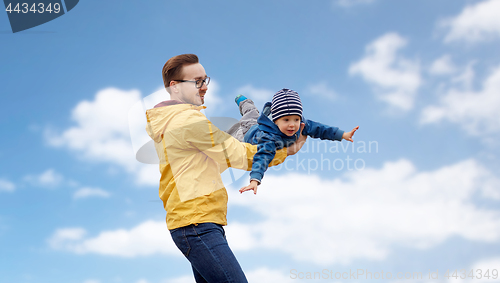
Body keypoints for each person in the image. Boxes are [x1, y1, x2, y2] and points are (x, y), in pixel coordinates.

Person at [145, 54, 307, 283]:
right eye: (197, 82)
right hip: (196, 223)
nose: (204, 88)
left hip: (197, 221)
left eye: (205, 80)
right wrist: (285, 151)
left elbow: (216, 160)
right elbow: (238, 155)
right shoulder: (188, 122)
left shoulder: (173, 121)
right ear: (175, 87)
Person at [230, 88, 359, 195]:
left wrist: (343, 135)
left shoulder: (301, 124)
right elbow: (262, 157)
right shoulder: (269, 138)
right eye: (286, 120)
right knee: (249, 115)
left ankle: (246, 105)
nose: (292, 125)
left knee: (253, 114)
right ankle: (243, 101)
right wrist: (255, 180)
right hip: (248, 135)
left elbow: (321, 129)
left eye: (295, 119)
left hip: (263, 126)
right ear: (276, 120)